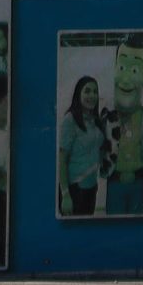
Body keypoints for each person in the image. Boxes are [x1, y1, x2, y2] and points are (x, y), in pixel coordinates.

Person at [98, 36, 143, 215]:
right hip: (114, 183)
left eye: (135, 69)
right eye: (121, 67)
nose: (126, 78)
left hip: (139, 184)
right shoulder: (105, 116)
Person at [57, 75, 104, 216]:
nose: (92, 95)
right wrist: (65, 195)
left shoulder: (95, 121)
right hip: (75, 190)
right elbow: (62, 159)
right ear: (79, 94)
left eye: (95, 92)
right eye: (87, 91)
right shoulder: (70, 120)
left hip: (91, 188)